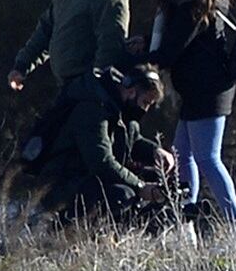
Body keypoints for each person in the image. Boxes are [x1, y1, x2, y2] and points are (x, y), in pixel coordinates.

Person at [141, 0, 236, 248]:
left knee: (207, 157)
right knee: (182, 155)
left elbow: (173, 46)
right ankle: (185, 223)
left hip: (209, 88)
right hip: (196, 88)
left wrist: (150, 56)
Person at [28, 63, 178, 233]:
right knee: (123, 195)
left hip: (88, 178)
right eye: (145, 102)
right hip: (61, 183)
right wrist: (140, 186)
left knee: (152, 182)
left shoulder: (121, 108)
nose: (145, 109)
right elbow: (102, 161)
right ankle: (63, 230)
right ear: (131, 90)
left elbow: (133, 141)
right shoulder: (93, 108)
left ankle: (120, 233)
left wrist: (155, 152)